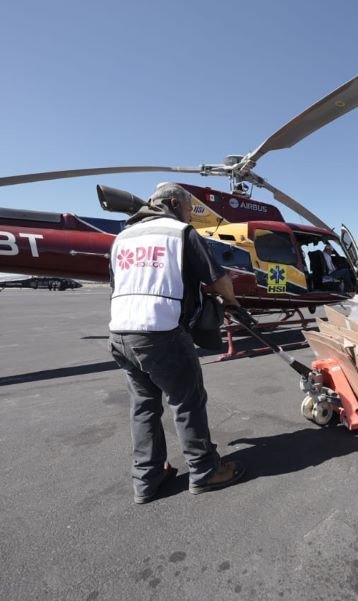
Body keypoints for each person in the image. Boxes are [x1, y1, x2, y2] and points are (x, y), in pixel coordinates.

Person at [108, 183, 249, 503]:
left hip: (120, 334)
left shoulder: (123, 237)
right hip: (161, 332)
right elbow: (219, 279)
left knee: (144, 406)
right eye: (189, 210)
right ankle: (204, 471)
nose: (191, 216)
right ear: (174, 204)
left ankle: (147, 478)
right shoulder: (180, 232)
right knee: (187, 402)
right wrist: (233, 303)